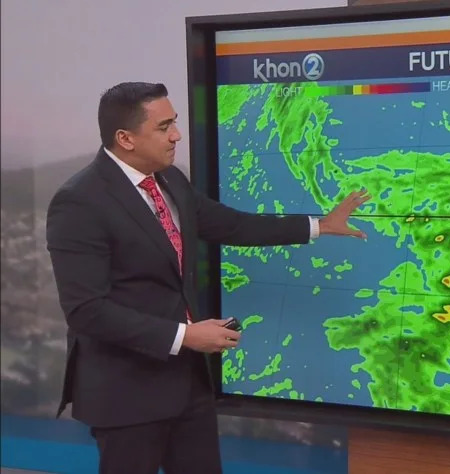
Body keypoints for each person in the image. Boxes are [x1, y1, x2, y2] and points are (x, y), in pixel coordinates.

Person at [45, 81, 370, 474]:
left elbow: (233, 225)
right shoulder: (80, 201)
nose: (176, 135)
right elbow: (87, 310)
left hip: (186, 386)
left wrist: (318, 226)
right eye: (164, 127)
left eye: (174, 122)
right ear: (125, 138)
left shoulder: (169, 180)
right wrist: (185, 336)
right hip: (126, 393)